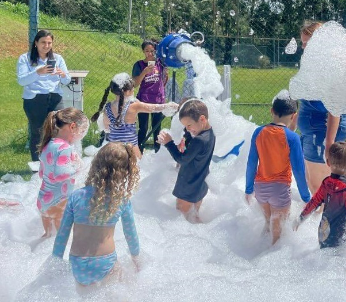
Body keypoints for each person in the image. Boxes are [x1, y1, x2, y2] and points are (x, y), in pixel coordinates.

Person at [52, 142, 140, 287]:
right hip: (105, 263)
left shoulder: (76, 196)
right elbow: (131, 235)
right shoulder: (121, 200)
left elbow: (62, 235)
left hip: (77, 264)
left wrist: (54, 265)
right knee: (120, 290)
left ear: (96, 165)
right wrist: (137, 260)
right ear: (125, 172)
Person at [245, 92, 311, 244]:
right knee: (278, 233)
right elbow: (299, 170)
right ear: (294, 116)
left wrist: (249, 189)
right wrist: (305, 197)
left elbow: (251, 163)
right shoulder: (292, 137)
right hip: (279, 190)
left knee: (268, 223)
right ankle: (271, 261)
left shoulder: (258, 132)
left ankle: (256, 254)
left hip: (260, 189)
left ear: (271, 111)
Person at [294, 21, 346, 195]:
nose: (303, 47)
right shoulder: (313, 67)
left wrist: (329, 144)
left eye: (306, 43)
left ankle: (325, 219)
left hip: (323, 134)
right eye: (302, 43)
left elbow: (336, 108)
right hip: (313, 133)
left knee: (320, 188)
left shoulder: (330, 69)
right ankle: (323, 217)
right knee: (314, 182)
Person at [90, 73, 178, 159]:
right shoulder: (134, 105)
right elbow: (154, 108)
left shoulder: (107, 107)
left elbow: (106, 128)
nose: (134, 90)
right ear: (127, 92)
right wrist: (169, 106)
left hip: (113, 149)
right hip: (131, 148)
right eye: (132, 88)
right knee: (136, 170)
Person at [293, 142, 346, 251]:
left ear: (328, 163)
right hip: (339, 236)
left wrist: (301, 218)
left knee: (324, 256)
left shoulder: (326, 183)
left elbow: (314, 202)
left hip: (323, 232)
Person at [157, 99, 215, 223]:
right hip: (201, 182)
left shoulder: (199, 140)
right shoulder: (210, 134)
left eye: (189, 125)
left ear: (202, 119)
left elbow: (181, 159)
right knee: (194, 216)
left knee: (181, 215)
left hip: (189, 183)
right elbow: (195, 150)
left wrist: (169, 143)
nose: (188, 129)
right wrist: (187, 137)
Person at [17, 29, 71, 161]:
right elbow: (21, 80)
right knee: (38, 131)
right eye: (43, 42)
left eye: (49, 43)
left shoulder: (57, 58)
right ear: (36, 43)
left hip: (55, 97)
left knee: (60, 128)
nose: (46, 46)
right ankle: (37, 164)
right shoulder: (25, 58)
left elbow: (67, 80)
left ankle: (57, 161)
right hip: (35, 98)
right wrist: (38, 72)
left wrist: (62, 74)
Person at [37, 108, 89, 237]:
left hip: (43, 199)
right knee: (62, 239)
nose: (82, 135)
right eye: (82, 131)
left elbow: (41, 174)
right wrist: (78, 167)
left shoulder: (48, 144)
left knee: (48, 236)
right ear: (72, 127)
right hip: (58, 201)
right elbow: (60, 174)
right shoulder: (65, 148)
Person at [132, 40, 168, 153]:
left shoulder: (160, 63)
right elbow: (135, 83)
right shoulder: (138, 65)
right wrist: (144, 72)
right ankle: (139, 152)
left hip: (158, 99)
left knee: (157, 128)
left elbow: (164, 79)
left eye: (152, 51)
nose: (150, 54)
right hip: (144, 100)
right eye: (147, 51)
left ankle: (158, 152)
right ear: (143, 51)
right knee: (143, 128)